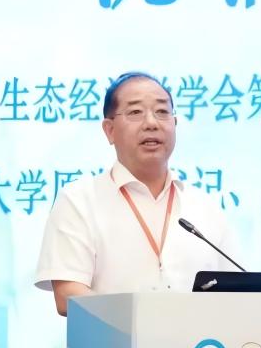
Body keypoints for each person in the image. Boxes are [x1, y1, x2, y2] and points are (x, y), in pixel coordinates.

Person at [34, 72, 239, 316]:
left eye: (162, 112)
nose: (151, 123)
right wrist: (145, 319)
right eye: (135, 112)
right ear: (109, 130)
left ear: (175, 124)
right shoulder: (79, 200)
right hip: (113, 341)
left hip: (198, 342)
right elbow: (67, 295)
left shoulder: (204, 207)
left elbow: (238, 294)